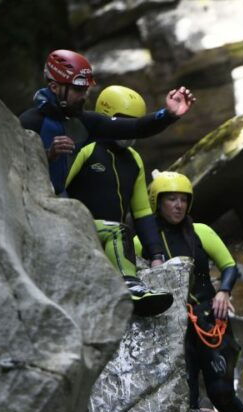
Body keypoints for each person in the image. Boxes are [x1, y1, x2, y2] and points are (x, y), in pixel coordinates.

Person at [136, 171, 243, 412]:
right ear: (156, 202)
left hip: (209, 318)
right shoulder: (143, 241)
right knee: (187, 396)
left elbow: (229, 266)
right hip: (174, 325)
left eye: (183, 200)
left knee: (221, 391)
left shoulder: (201, 231)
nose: (178, 206)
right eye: (171, 199)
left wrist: (223, 291)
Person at [19, 49, 195, 196]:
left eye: (86, 90)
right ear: (54, 88)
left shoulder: (86, 121)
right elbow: (14, 170)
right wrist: (48, 155)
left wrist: (168, 114)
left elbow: (136, 127)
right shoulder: (30, 121)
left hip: (64, 209)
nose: (84, 96)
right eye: (78, 89)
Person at [66, 85, 171, 316]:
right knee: (120, 231)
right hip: (77, 227)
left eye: (135, 123)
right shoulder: (87, 147)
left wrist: (156, 254)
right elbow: (58, 186)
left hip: (112, 235)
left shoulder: (134, 159)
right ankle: (129, 285)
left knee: (126, 235)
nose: (129, 129)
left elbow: (142, 211)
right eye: (124, 121)